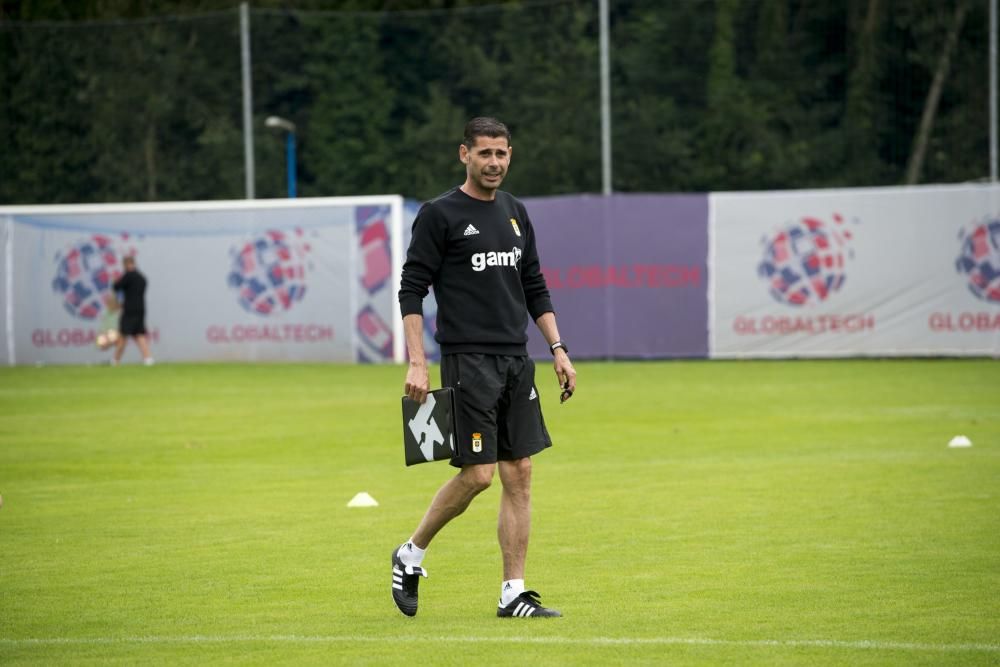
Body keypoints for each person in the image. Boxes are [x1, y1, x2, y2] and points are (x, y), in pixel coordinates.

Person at [393, 117, 576, 619]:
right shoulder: (439, 214)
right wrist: (417, 361)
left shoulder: (516, 213)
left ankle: (512, 592)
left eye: (502, 153)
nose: (494, 162)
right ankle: (411, 553)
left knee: (520, 471)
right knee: (478, 477)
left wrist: (557, 347)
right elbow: (412, 288)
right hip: (467, 361)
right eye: (485, 153)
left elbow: (534, 285)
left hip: (517, 360)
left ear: (511, 155)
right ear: (464, 155)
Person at [111, 256, 154, 366]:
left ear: (125, 264)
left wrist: (115, 281)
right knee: (139, 334)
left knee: (123, 334)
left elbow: (116, 287)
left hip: (129, 310)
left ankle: (115, 360)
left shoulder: (128, 276)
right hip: (141, 309)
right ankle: (148, 359)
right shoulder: (141, 277)